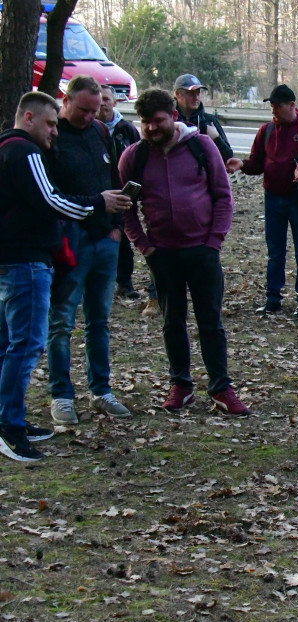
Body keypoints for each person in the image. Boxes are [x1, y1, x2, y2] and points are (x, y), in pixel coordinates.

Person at [0, 92, 130, 461]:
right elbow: (52, 199)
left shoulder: (9, 149)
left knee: (10, 343)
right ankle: (10, 427)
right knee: (26, 345)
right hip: (25, 261)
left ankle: (11, 418)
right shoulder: (24, 152)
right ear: (28, 118)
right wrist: (98, 203)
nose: (54, 132)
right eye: (50, 123)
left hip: (16, 259)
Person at [119, 88, 250, 416]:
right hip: (162, 253)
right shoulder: (134, 157)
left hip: (202, 251)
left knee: (211, 321)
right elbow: (125, 208)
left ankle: (221, 388)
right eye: (145, 122)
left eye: (157, 121)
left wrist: (214, 241)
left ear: (173, 117)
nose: (150, 128)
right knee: (172, 321)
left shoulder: (201, 147)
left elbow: (223, 196)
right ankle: (181, 385)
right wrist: (145, 246)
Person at [47, 75, 133, 425]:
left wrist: (116, 227)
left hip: (104, 242)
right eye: (83, 110)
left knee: (99, 320)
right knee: (62, 322)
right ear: (66, 102)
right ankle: (61, 396)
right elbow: (51, 196)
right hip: (70, 242)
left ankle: (101, 390)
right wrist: (97, 204)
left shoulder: (99, 132)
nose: (89, 116)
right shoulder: (52, 139)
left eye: (95, 110)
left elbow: (111, 179)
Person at [227, 84, 298, 319]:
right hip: (272, 198)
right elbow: (257, 163)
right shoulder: (266, 131)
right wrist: (242, 164)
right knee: (275, 252)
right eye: (271, 106)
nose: (274, 111)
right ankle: (273, 299)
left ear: (291, 105)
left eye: (277, 106)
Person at [98, 84, 150, 307]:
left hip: (124, 191)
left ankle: (125, 283)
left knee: (125, 238)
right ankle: (100, 284)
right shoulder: (91, 129)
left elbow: (140, 155)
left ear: (114, 101)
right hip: (99, 193)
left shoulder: (126, 129)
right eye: (98, 99)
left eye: (106, 99)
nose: (102, 103)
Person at [173, 74, 232, 162]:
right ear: (178, 94)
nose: (196, 97)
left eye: (198, 93)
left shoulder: (209, 121)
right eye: (191, 93)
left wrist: (216, 138)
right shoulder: (170, 121)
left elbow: (228, 157)